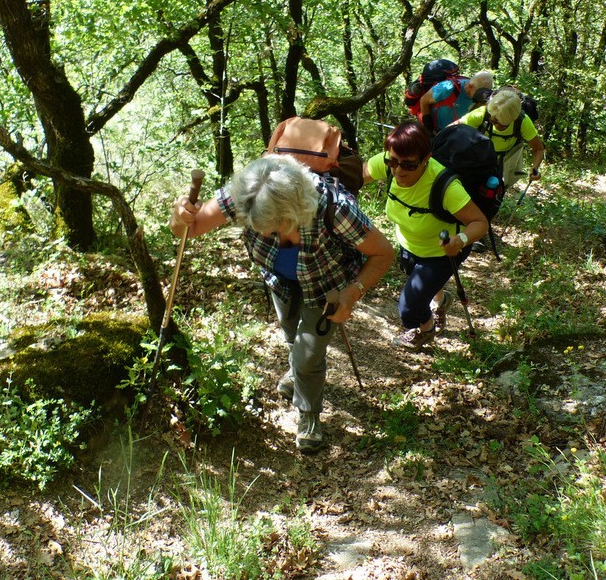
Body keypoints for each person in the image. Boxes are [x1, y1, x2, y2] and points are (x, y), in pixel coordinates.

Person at [169, 155, 394, 454]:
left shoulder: (335, 208)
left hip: (327, 286)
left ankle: (309, 414)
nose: (263, 233)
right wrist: (179, 216)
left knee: (308, 355)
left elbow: (383, 253)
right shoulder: (247, 192)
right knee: (292, 337)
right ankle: (297, 371)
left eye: (273, 228)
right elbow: (188, 229)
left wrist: (352, 294)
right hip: (279, 281)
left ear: (294, 211)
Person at [362, 121, 488, 349]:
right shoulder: (391, 161)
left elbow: (480, 222)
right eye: (392, 162)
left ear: (426, 158)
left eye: (408, 165)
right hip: (409, 244)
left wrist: (459, 241)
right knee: (426, 287)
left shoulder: (446, 187)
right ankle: (440, 301)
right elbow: (357, 176)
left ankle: (426, 330)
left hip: (443, 252)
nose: (398, 170)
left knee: (409, 310)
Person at [454, 88, 545, 189]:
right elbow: (454, 128)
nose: (496, 125)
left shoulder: (522, 121)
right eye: (493, 121)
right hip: (477, 157)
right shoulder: (483, 113)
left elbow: (538, 149)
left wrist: (535, 168)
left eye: (501, 124)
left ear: (512, 119)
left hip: (501, 164)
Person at [416, 61, 494, 133]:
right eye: (480, 93)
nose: (482, 96)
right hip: (438, 133)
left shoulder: (480, 97)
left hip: (457, 136)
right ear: (470, 86)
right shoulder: (447, 88)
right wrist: (429, 128)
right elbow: (423, 100)